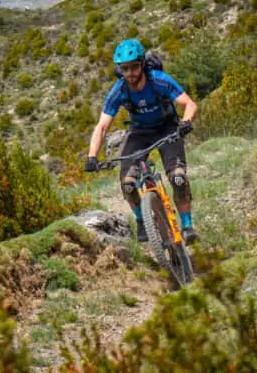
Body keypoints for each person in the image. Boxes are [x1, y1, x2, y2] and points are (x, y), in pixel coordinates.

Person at [85, 38, 200, 245]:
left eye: (134, 67)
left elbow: (189, 104)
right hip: (139, 133)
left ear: (142, 65)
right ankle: (141, 220)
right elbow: (102, 126)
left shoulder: (159, 80)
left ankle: (187, 226)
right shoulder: (119, 90)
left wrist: (185, 122)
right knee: (128, 184)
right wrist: (92, 156)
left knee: (178, 179)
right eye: (124, 69)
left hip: (167, 128)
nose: (130, 73)